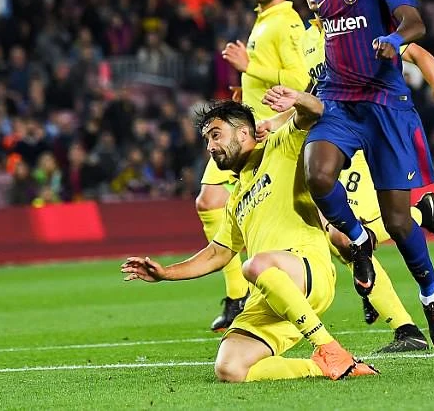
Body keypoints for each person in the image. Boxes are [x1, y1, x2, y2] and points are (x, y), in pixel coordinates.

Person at [122, 98, 377, 382]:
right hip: (269, 294)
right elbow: (217, 254)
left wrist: (292, 102)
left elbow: (316, 110)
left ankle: (329, 348)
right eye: (207, 140)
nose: (210, 147)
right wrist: (165, 273)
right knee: (230, 368)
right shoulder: (236, 199)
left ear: (244, 133)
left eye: (216, 135)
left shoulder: (281, 147)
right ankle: (323, 366)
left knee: (253, 266)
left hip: (307, 270)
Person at [292, 0, 434, 352]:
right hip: (339, 132)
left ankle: (429, 294)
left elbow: (420, 55)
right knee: (341, 231)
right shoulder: (305, 40)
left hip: (380, 124)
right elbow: (312, 92)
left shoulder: (360, 21)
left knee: (395, 222)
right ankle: (398, 313)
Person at [194, 0, 309, 332]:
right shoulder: (263, 21)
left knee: (313, 224)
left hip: (266, 133)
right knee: (210, 201)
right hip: (247, 126)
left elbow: (300, 80)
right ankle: (237, 295)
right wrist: (246, 88)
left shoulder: (287, 23)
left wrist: (251, 66)